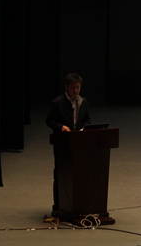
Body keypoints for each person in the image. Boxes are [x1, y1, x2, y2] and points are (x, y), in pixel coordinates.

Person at [46, 73, 91, 216]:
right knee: (61, 174)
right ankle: (58, 207)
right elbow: (49, 121)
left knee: (79, 174)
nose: (76, 90)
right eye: (73, 87)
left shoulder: (83, 102)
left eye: (78, 87)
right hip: (62, 143)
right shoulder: (57, 103)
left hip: (79, 143)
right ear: (66, 87)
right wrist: (60, 127)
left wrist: (84, 128)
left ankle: (77, 206)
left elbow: (87, 119)